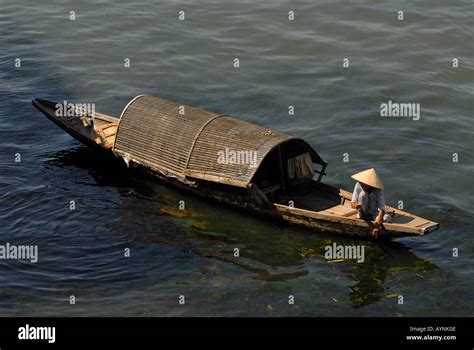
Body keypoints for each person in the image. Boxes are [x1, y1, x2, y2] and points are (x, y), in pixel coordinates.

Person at [350, 168, 391, 237]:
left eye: (369, 185)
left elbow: (382, 209)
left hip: (374, 212)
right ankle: (363, 217)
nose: (366, 186)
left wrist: (377, 224)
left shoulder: (378, 190)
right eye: (365, 184)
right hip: (362, 212)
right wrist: (356, 206)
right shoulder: (358, 185)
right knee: (363, 194)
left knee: (387, 218)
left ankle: (374, 220)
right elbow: (352, 203)